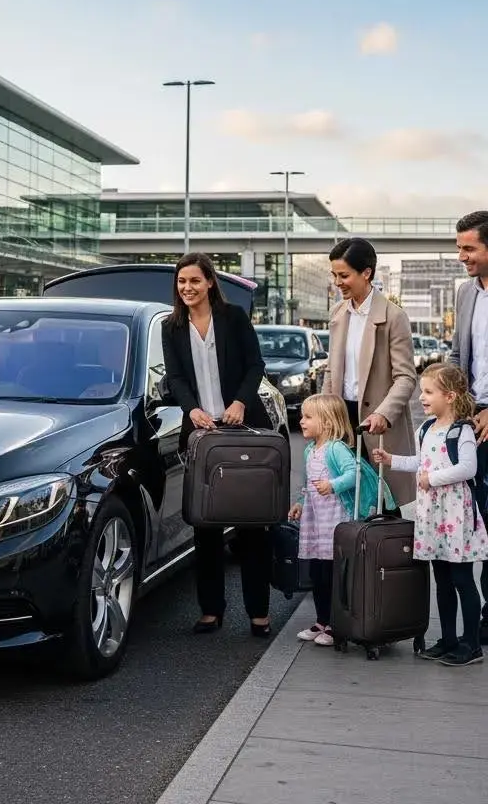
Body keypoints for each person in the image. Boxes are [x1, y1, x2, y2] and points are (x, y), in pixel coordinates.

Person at [161, 251, 273, 637]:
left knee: (250, 526)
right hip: (201, 434)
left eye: (194, 280)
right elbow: (175, 377)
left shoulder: (233, 318)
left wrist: (240, 401)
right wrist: (191, 410)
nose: (187, 288)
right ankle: (212, 611)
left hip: (241, 428)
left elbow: (255, 364)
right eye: (181, 282)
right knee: (205, 526)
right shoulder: (172, 326)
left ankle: (259, 613)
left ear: (210, 281)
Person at [373, 364, 488, 666]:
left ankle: (472, 643)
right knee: (443, 580)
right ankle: (448, 638)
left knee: (462, 578)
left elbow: (468, 468)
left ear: (449, 396)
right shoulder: (426, 429)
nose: (422, 397)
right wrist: (391, 460)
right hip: (432, 517)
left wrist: (433, 479)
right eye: (421, 392)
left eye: (428, 392)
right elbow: (419, 462)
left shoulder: (461, 430)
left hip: (454, 515)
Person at [289, 394, 396, 646]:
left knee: (334, 575)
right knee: (317, 573)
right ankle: (321, 620)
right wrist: (300, 503)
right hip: (316, 523)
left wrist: (333, 485)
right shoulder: (309, 450)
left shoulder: (335, 448)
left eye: (307, 417)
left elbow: (354, 473)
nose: (301, 421)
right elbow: (308, 485)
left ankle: (336, 625)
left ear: (326, 422)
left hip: (336, 522)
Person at [322, 238, 417, 505]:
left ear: (367, 273)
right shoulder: (338, 313)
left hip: (379, 425)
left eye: (344, 275)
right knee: (345, 501)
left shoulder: (393, 316)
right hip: (342, 420)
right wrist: (322, 410)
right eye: (334, 275)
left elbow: (406, 377)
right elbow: (331, 370)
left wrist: (383, 414)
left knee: (383, 504)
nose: (337, 282)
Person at [448, 210, 488, 637]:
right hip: (470, 418)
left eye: (469, 248)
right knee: (475, 517)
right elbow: (459, 355)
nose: (461, 256)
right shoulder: (465, 293)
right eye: (459, 247)